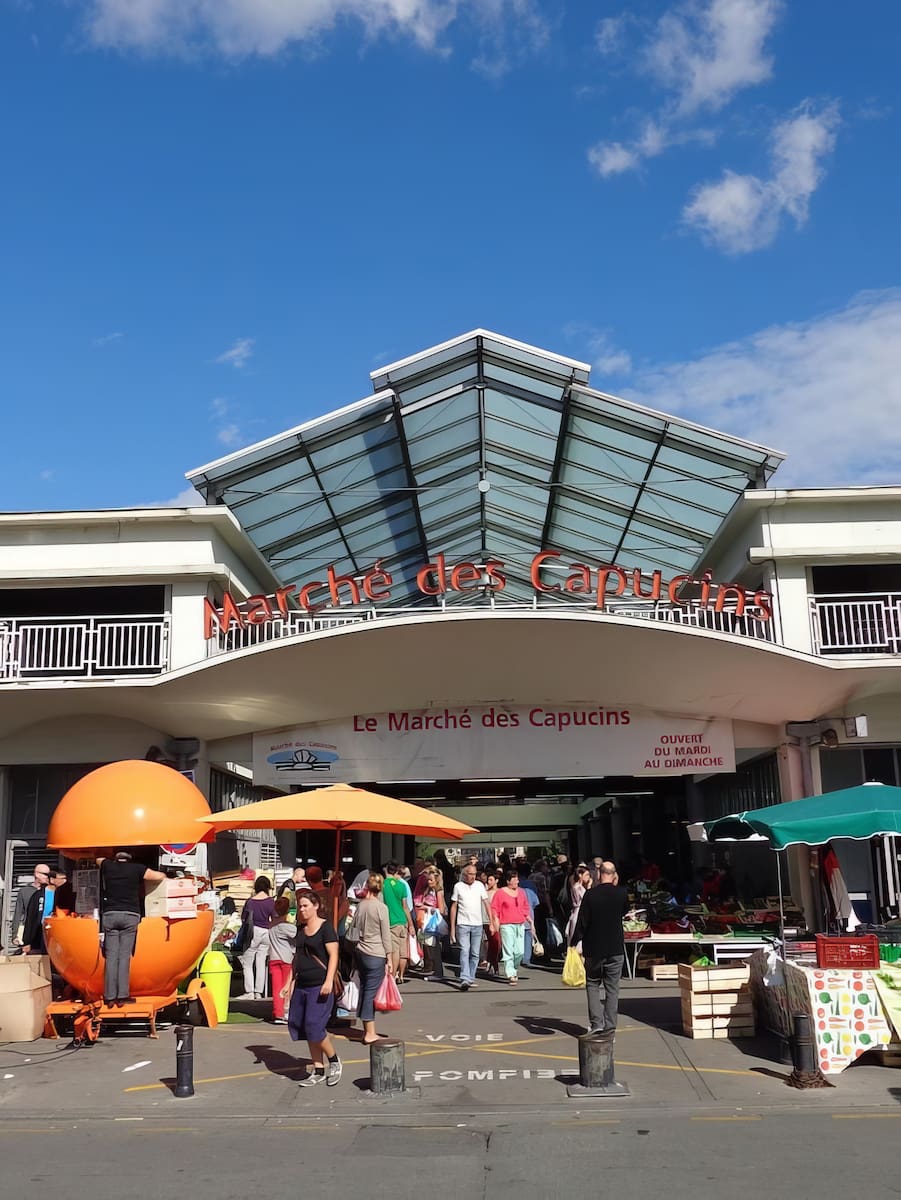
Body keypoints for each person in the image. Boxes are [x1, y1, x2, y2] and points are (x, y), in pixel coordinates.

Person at [285, 890, 342, 1087]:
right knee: (305, 1027)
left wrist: (328, 981)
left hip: (320, 985)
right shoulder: (300, 929)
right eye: (300, 906)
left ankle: (334, 1060)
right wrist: (288, 983)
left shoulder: (326, 928)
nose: (302, 910)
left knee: (314, 1026)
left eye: (305, 906)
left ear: (316, 906)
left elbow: (334, 955)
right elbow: (296, 958)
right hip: (302, 985)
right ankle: (318, 1068)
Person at [96, 851, 165, 1006]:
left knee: (111, 957)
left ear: (117, 858)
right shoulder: (137, 868)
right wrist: (168, 876)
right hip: (130, 915)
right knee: (124, 956)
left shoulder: (107, 866)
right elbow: (157, 876)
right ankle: (122, 996)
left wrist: (109, 858)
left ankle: (109, 997)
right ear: (130, 858)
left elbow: (99, 859)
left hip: (110, 914)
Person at [572, 860, 629, 1036]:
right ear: (614, 875)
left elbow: (582, 921)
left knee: (592, 984)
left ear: (598, 874)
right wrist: (616, 885)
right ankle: (610, 1028)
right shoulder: (621, 893)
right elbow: (624, 912)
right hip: (615, 948)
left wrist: (574, 942)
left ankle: (596, 1023)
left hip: (594, 948)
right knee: (612, 989)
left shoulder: (590, 895)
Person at [346, 872, 393, 1043]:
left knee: (365, 988)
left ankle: (367, 1028)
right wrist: (389, 958)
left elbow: (353, 930)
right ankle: (369, 1032)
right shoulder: (381, 908)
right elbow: (386, 935)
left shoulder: (361, 905)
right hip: (376, 952)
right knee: (370, 992)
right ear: (380, 888)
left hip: (360, 951)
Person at [490, 870, 535, 986]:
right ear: (508, 881)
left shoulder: (521, 892)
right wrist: (495, 921)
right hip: (506, 925)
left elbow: (525, 907)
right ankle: (511, 973)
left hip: (520, 924)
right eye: (514, 880)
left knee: (520, 951)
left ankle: (513, 968)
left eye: (517, 879)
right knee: (508, 950)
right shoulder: (500, 893)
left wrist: (530, 920)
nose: (517, 882)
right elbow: (494, 908)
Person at [450, 862, 489, 990]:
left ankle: (470, 977)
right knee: (464, 950)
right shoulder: (458, 886)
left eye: (474, 874)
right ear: (464, 875)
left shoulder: (480, 886)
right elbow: (454, 907)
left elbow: (486, 902)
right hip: (463, 924)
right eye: (470, 874)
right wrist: (452, 928)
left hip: (477, 924)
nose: (472, 877)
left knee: (475, 953)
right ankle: (465, 978)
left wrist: (492, 920)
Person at [239, 876, 275, 1000]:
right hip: (267, 932)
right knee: (261, 962)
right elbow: (274, 917)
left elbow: (244, 918)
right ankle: (259, 991)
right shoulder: (271, 901)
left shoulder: (250, 902)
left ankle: (249, 991)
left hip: (253, 932)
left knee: (248, 963)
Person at [382, 862, 416, 984]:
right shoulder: (401, 885)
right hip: (403, 920)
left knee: (394, 951)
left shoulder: (383, 885)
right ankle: (400, 975)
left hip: (391, 921)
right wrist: (411, 925)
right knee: (403, 952)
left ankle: (392, 976)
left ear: (386, 870)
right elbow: (405, 906)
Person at [413, 865, 447, 981]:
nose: (429, 881)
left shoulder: (438, 891)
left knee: (434, 947)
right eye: (428, 879)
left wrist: (427, 908)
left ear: (436, 879)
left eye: (431, 880)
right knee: (429, 946)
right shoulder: (428, 889)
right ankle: (437, 971)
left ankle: (438, 972)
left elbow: (441, 909)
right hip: (427, 919)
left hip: (433, 920)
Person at [21, 867, 64, 956]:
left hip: (58, 934)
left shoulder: (63, 894)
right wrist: (27, 941)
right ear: (52, 880)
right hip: (40, 934)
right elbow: (30, 919)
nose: (64, 881)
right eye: (62, 879)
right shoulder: (37, 895)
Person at [268, 896, 297, 1023]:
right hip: (286, 958)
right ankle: (286, 1011)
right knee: (287, 986)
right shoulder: (286, 926)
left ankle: (277, 1013)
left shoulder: (271, 925)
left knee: (276, 987)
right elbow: (298, 936)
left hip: (273, 958)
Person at [12, 864, 50, 947]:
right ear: (37, 874)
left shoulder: (50, 891)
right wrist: (15, 934)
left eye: (49, 874)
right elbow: (18, 914)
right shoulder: (25, 891)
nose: (47, 877)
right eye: (45, 874)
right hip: (30, 932)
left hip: (46, 931)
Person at [565, 864, 592, 947]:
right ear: (580, 875)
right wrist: (589, 886)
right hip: (578, 913)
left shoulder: (576, 886)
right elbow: (588, 898)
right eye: (587, 875)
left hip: (577, 912)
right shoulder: (578, 887)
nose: (589, 877)